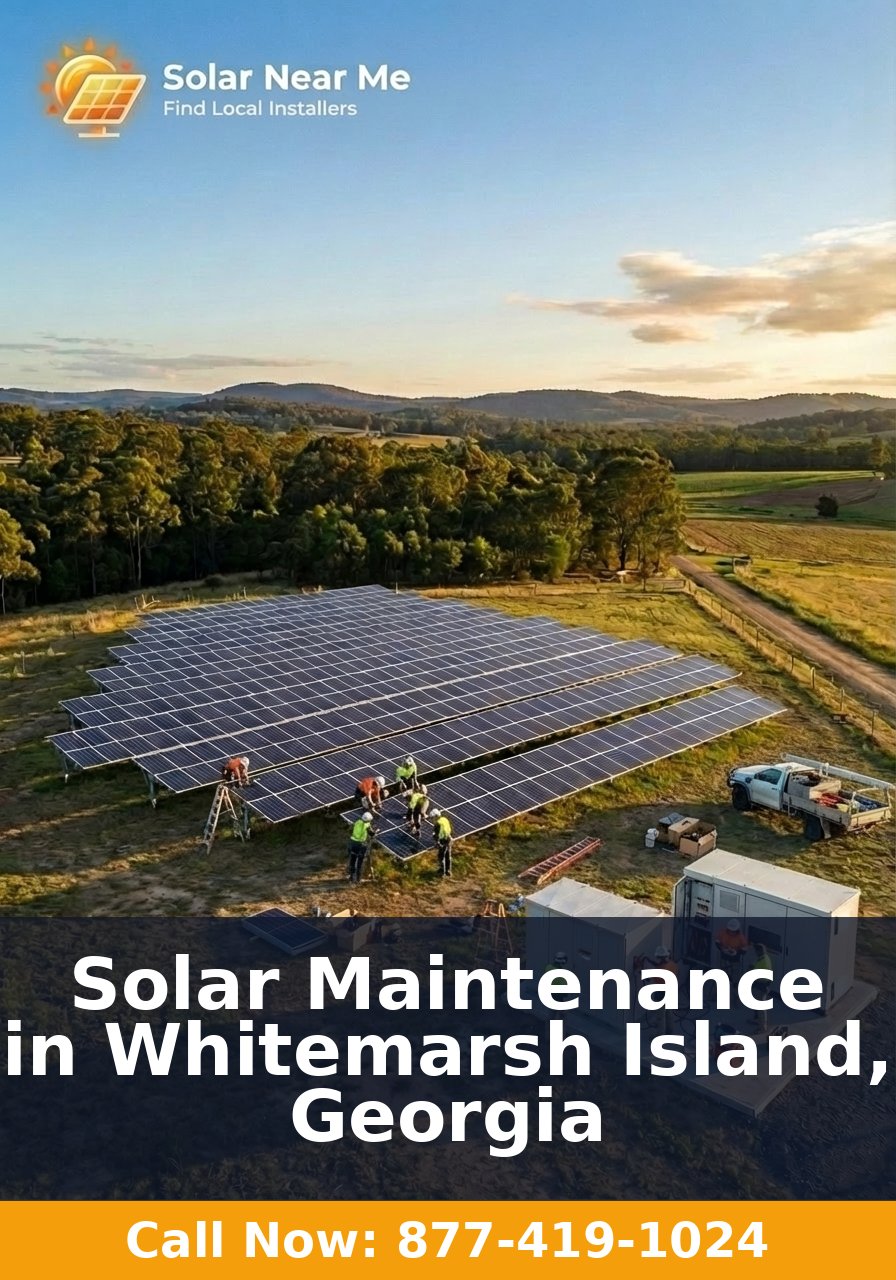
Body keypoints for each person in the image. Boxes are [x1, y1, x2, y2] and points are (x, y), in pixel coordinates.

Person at [347, 812, 374, 884]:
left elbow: (351, 830)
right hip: (361, 844)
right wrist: (375, 832)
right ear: (368, 820)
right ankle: (358, 879)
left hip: (352, 843)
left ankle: (351, 877)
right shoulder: (367, 825)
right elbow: (371, 833)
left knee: (352, 860)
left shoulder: (357, 822)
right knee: (360, 862)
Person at [430, 809, 453, 877]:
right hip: (449, 839)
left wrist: (437, 843)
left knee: (441, 856)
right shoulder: (444, 819)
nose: (432, 819)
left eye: (432, 818)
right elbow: (449, 828)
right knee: (448, 856)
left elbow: (436, 835)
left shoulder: (437, 824)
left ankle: (442, 872)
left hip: (443, 841)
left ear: (436, 816)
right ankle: (448, 871)